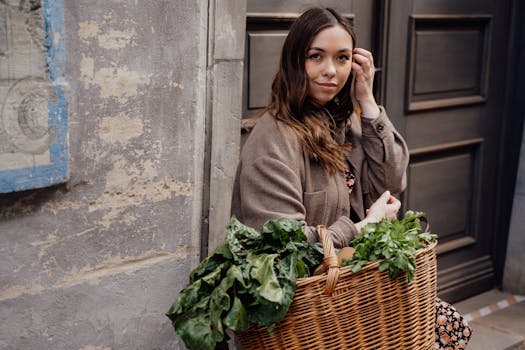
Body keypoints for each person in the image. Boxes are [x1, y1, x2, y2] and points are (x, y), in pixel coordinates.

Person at [231, 6, 471, 349]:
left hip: (350, 299)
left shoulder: (343, 124)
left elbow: (391, 182)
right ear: (294, 61)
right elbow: (284, 253)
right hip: (305, 316)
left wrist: (368, 102)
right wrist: (362, 228)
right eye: (317, 56)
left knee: (447, 327)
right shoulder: (274, 140)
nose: (331, 71)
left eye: (342, 58)